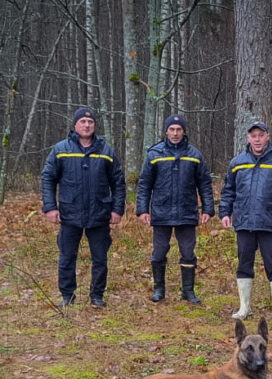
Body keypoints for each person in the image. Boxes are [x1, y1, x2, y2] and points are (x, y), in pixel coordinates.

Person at [41, 107, 126, 307]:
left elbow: (118, 182)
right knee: (67, 257)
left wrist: (117, 209)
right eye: (83, 122)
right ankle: (67, 296)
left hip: (99, 214)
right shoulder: (61, 150)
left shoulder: (106, 150)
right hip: (70, 213)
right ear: (75, 125)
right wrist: (50, 207)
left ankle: (97, 296)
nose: (87, 126)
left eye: (90, 123)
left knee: (100, 258)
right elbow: (48, 178)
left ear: (94, 126)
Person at [219, 119, 272, 319]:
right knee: (244, 263)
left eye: (261, 135)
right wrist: (224, 212)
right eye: (253, 136)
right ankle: (244, 308)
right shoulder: (237, 162)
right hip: (244, 222)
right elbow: (228, 190)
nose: (257, 139)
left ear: (267, 136)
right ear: (248, 137)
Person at [136, 114, 215, 304]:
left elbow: (204, 183)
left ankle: (188, 291)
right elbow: (145, 184)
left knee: (188, 252)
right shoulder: (155, 154)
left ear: (184, 131)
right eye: (172, 129)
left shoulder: (194, 155)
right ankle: (159, 290)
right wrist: (142, 209)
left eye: (179, 129)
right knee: (159, 252)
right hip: (161, 211)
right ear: (166, 131)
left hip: (187, 211)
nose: (175, 133)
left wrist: (208, 209)